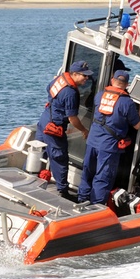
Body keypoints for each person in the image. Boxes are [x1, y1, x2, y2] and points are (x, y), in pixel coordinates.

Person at [77, 69, 140, 205]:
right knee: (103, 177)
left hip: (92, 141)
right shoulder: (127, 103)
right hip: (108, 146)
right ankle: (97, 207)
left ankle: (82, 198)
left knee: (87, 171)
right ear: (126, 85)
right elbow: (137, 126)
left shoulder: (100, 95)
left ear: (112, 80)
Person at [36, 60, 93, 199]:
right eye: (84, 76)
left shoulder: (60, 79)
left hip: (45, 118)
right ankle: (63, 191)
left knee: (39, 150)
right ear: (74, 74)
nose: (87, 79)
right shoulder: (71, 93)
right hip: (54, 127)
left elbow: (48, 89)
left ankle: (31, 173)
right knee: (60, 157)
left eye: (87, 76)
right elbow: (72, 118)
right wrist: (84, 130)